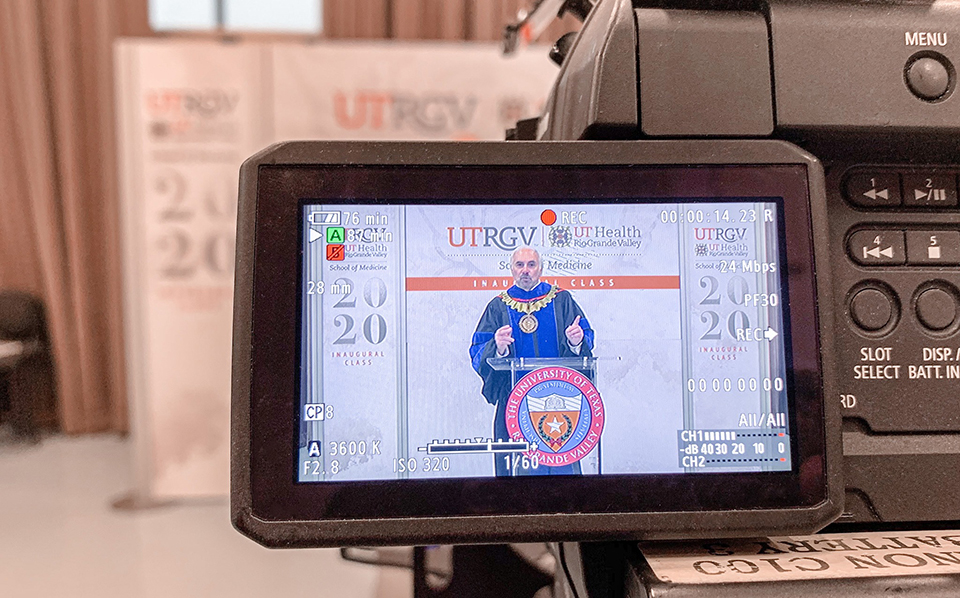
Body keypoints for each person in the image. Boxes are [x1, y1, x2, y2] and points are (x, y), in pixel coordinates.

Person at [469, 247, 594, 476]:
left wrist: (576, 341)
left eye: (531, 265)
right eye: (519, 265)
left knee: (561, 475)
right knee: (516, 480)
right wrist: (496, 348)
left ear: (540, 269)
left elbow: (584, 339)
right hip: (514, 405)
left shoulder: (562, 300)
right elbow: (477, 351)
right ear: (511, 269)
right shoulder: (497, 306)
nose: (525, 270)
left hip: (559, 403)